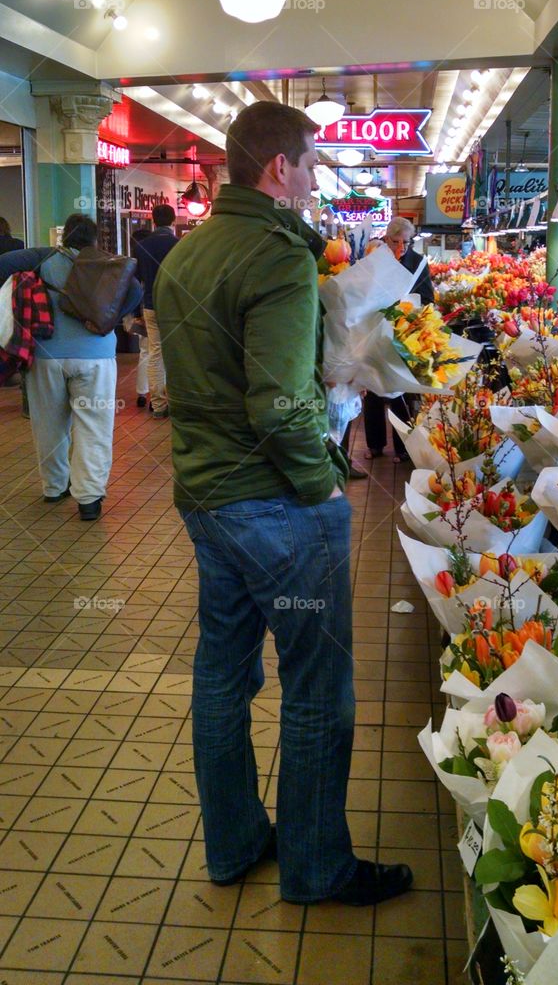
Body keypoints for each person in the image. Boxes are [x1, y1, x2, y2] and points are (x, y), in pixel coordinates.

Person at [154, 100, 413, 907]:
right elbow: (278, 406)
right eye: (310, 161)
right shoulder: (276, 258)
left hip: (206, 499)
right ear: (279, 169)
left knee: (223, 676)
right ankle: (314, 865)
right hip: (275, 505)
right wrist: (323, 487)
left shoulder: (185, 259)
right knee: (315, 685)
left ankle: (233, 844)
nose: (315, 175)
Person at [0, 213, 142, 520]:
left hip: (46, 354)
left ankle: (54, 487)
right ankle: (89, 499)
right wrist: (109, 319)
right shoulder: (108, 263)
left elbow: (4, 263)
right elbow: (136, 291)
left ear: (64, 238)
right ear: (94, 240)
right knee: (94, 426)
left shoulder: (43, 258)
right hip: (96, 357)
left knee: (48, 422)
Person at [363, 216, 434, 462]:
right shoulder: (375, 259)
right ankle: (374, 445)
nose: (400, 248)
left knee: (402, 388)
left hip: (407, 334)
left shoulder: (418, 262)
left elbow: (428, 298)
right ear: (386, 239)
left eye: (405, 242)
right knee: (373, 388)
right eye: (395, 242)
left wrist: (408, 309)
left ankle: (403, 447)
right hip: (376, 331)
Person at [134, 204, 178, 418]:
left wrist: (136, 313)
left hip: (150, 306)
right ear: (173, 220)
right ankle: (178, 402)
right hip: (176, 307)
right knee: (177, 353)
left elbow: (134, 282)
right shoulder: (179, 245)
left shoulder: (142, 246)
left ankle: (159, 405)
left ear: (153, 221)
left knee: (155, 353)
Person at [122, 227, 151, 407]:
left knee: (145, 352)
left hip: (139, 312)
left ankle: (142, 392)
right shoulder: (151, 262)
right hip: (151, 309)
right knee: (155, 352)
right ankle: (156, 393)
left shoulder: (132, 264)